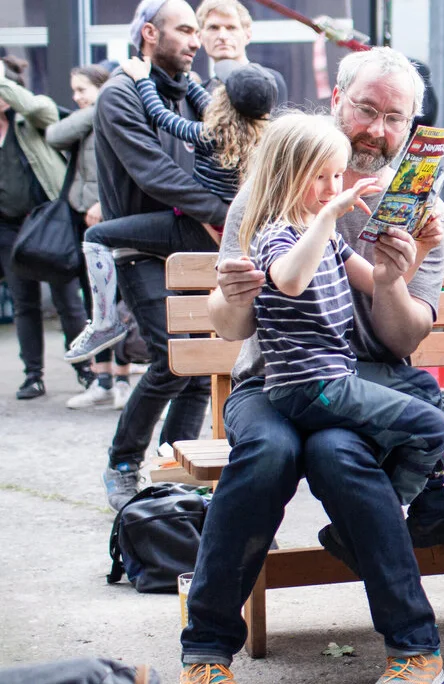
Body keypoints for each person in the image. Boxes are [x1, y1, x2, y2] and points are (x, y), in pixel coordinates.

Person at [181, 47, 444, 684]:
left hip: (359, 379)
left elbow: (401, 341)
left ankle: (414, 648)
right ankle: (206, 648)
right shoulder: (276, 188)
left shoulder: (412, 205)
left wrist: (397, 277)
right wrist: (230, 297)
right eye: (365, 109)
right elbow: (234, 322)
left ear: (412, 128)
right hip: (270, 379)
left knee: (339, 457)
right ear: (337, 101)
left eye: (393, 118)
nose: (377, 129)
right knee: (266, 453)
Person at [240, 112, 444, 509]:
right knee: (430, 426)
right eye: (319, 176)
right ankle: (388, 511)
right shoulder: (277, 234)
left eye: (336, 176)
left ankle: (417, 514)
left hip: (336, 374)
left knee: (424, 389)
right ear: (285, 175)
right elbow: (290, 280)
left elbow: (380, 283)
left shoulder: (328, 236)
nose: (332, 188)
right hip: (305, 385)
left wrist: (418, 247)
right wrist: (326, 218)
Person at [92, 0, 230, 511]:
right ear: (149, 33)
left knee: (200, 365)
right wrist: (227, 212)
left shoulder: (195, 94)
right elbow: (154, 173)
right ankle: (123, 462)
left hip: (195, 240)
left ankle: (172, 468)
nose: (197, 40)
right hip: (141, 247)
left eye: (198, 31)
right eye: (186, 30)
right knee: (173, 359)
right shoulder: (120, 95)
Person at [65, 56, 273, 362]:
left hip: (194, 227)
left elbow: (161, 116)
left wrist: (141, 80)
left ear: (225, 102)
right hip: (223, 231)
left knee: (96, 236)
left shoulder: (207, 135)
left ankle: (104, 322)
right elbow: (204, 100)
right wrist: (186, 79)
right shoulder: (260, 136)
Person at [0, 55, 91, 400]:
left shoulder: (32, 117)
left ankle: (86, 369)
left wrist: (4, 80)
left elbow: (40, 109)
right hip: (8, 230)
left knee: (68, 300)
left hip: (46, 222)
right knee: (24, 302)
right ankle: (33, 375)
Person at [46, 64, 136, 410]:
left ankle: (124, 379)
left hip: (111, 221)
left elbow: (122, 168)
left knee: (118, 300)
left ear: (103, 88)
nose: (76, 96)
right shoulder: (89, 119)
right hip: (84, 224)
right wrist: (95, 108)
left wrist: (102, 201)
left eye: (83, 89)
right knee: (94, 302)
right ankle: (101, 380)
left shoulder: (115, 118)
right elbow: (54, 135)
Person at [194, 0, 288, 106]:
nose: (222, 36)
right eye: (213, 28)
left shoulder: (270, 80)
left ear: (247, 35)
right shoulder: (199, 92)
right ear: (200, 36)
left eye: (231, 28)